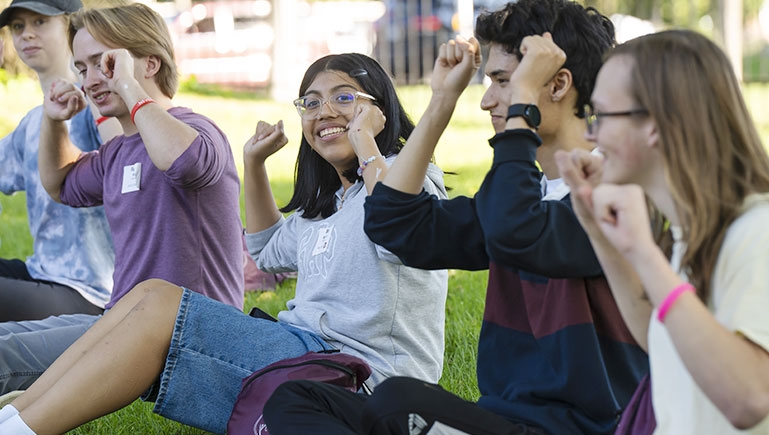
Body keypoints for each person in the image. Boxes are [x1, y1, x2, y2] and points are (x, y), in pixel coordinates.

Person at [0, 50, 449, 434]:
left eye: (343, 98)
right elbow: (267, 248)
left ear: (378, 109)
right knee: (150, 294)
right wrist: (253, 163)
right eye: (310, 102)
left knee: (161, 307)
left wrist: (366, 141)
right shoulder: (333, 203)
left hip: (363, 380)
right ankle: (17, 415)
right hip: (304, 352)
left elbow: (398, 230)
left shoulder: (408, 178)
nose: (324, 111)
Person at [263, 1, 648, 434]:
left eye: (505, 82)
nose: (486, 101)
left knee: (396, 401)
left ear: (557, 84)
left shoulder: (615, 195)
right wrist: (442, 102)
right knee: (297, 397)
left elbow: (517, 230)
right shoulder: (525, 196)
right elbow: (396, 226)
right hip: (502, 421)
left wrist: (522, 112)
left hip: (583, 428)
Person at [0, 2, 244, 399]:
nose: (89, 80)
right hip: (122, 327)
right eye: (81, 68)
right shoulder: (118, 153)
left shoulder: (199, 131)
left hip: (190, 341)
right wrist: (53, 119)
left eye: (104, 63)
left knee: (6, 354)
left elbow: (182, 164)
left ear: (148, 63)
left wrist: (128, 88)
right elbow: (60, 183)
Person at [554, 29, 769, 434]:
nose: (590, 134)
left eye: (601, 116)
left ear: (655, 124)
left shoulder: (759, 233)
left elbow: (751, 399)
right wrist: (601, 233)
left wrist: (644, 252)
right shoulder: (696, 228)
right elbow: (663, 337)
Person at [0, 0, 116, 323]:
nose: (26, 35)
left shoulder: (99, 100)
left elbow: (127, 154)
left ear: (68, 26)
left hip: (94, 293)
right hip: (43, 274)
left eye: (40, 22)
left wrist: (91, 95)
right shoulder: (32, 123)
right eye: (18, 27)